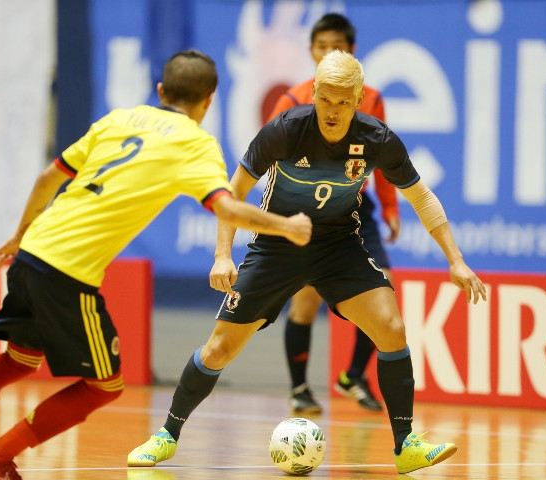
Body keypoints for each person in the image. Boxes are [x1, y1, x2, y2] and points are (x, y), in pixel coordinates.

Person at [127, 50, 487, 474]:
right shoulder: (284, 130)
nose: (332, 111)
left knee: (391, 328)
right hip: (278, 246)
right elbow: (231, 193)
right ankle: (166, 435)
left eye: (342, 102)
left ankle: (405, 444)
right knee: (220, 348)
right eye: (325, 99)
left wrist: (456, 260)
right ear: (313, 92)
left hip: (339, 246)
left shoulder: (377, 139)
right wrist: (222, 254)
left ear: (359, 100)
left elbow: (421, 197)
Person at [0, 49, 311, 480]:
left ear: (161, 90)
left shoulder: (120, 119)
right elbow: (229, 209)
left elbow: (47, 178)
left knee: (18, 360)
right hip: (66, 271)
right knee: (103, 386)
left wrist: (19, 235)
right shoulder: (196, 143)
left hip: (33, 250)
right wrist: (288, 225)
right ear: (210, 100)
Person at [266, 12, 400, 413]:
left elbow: (385, 159)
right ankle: (299, 389)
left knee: (384, 294)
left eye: (336, 47)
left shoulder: (372, 99)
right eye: (321, 46)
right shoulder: (290, 101)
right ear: (311, 51)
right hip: (306, 213)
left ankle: (353, 376)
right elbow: (270, 165)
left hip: (357, 211)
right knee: (305, 301)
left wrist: (390, 207)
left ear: (352, 53)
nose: (328, 53)